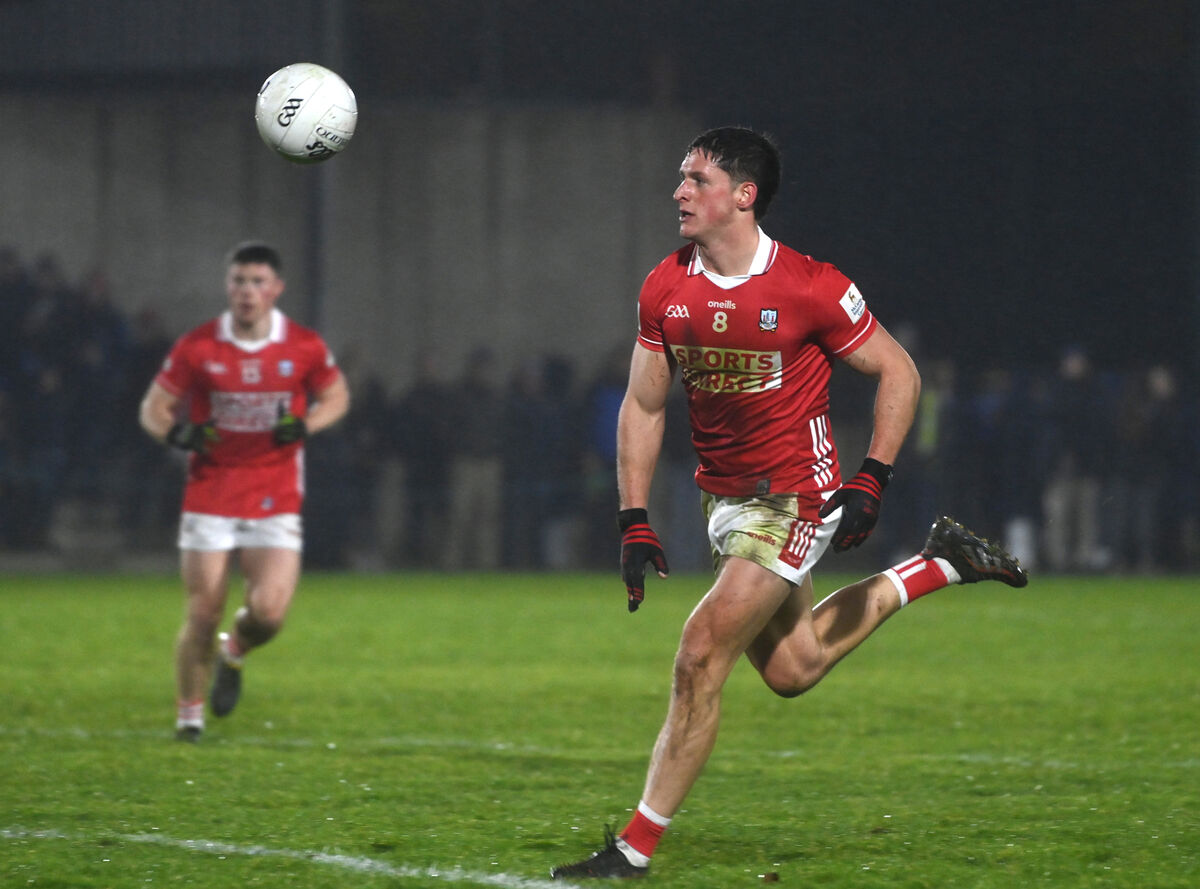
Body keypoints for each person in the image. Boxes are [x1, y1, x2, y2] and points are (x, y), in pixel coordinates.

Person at [551, 127, 1028, 879]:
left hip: (794, 495)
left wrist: (872, 475)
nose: (678, 192)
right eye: (680, 178)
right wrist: (633, 517)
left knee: (700, 652)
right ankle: (940, 565)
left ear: (743, 195)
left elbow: (898, 373)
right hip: (727, 501)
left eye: (696, 179)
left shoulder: (809, 284)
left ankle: (633, 850)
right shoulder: (665, 286)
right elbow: (644, 407)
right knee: (793, 667)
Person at [138, 242, 349, 741]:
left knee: (270, 614)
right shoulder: (198, 346)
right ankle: (189, 717)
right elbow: (154, 407)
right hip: (211, 490)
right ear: (227, 287)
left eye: (257, 282)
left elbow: (337, 396)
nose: (247, 291)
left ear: (276, 289)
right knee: (203, 610)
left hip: (275, 491)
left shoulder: (303, 346)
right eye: (238, 281)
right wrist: (176, 434)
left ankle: (235, 651)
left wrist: (305, 425)